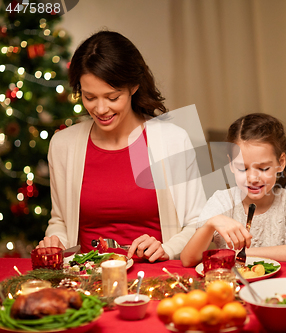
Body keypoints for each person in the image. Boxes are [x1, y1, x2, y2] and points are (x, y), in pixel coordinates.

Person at [37, 31, 206, 262]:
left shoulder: (173, 140)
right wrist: (56, 242)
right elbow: (60, 222)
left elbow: (198, 223)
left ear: (134, 86)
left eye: (112, 97)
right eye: (89, 97)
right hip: (85, 278)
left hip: (155, 276)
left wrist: (167, 248)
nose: (101, 109)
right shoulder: (62, 145)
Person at [180, 113, 286, 267]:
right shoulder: (222, 201)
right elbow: (188, 259)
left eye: (263, 168)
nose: (252, 178)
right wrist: (211, 223)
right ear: (231, 164)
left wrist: (241, 253)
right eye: (242, 168)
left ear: (281, 162)